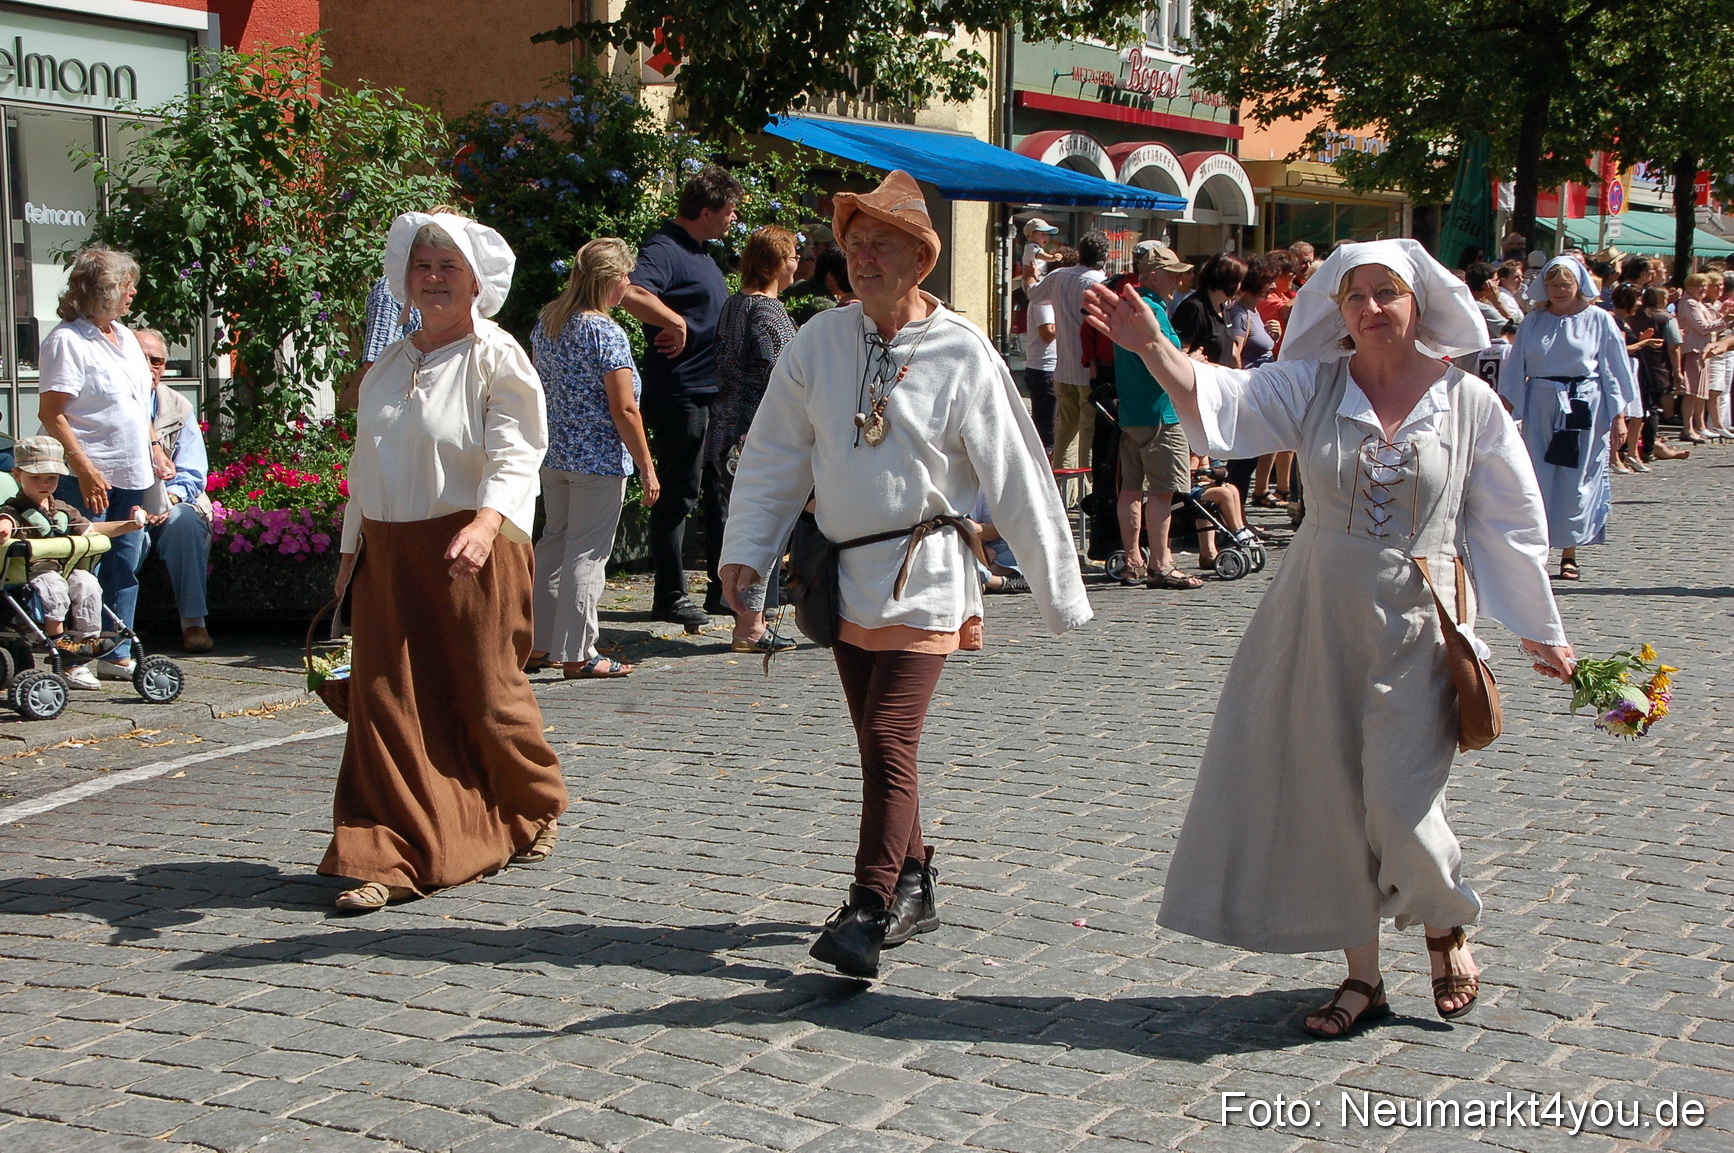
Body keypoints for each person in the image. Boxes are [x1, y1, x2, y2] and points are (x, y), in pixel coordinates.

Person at [1085, 238, 1576, 1039]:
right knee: (1331, 800)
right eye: (1356, 296)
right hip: (1315, 613)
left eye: (1388, 293)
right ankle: (1363, 975)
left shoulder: (1467, 402)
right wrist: (1153, 347)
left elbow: (1512, 521)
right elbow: (1228, 398)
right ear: (1337, 307)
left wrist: (1539, 629)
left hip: (1418, 620)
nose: (1371, 308)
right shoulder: (1316, 386)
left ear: (1419, 302)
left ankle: (1445, 921)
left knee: (1398, 797)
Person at [717, 170, 1091, 979]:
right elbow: (777, 452)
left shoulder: (960, 349)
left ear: (921, 258)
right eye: (853, 244)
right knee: (877, 742)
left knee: (889, 734)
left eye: (881, 243)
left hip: (926, 568)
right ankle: (916, 876)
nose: (863, 258)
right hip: (842, 573)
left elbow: (1018, 468)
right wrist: (745, 552)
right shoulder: (819, 340)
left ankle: (868, 904)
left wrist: (1060, 589)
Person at [324, 210, 566, 912]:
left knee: (487, 695)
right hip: (389, 554)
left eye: (447, 266)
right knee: (387, 705)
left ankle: (534, 801)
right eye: (423, 265)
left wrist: (488, 523)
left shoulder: (496, 356)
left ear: (475, 282)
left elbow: (520, 450)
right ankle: (388, 852)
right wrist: (349, 556)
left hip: (473, 550)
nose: (432, 277)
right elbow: (363, 468)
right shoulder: (387, 368)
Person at [525, 238, 661, 680]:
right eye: (624, 277)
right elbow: (624, 408)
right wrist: (646, 465)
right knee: (586, 555)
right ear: (609, 280)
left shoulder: (548, 321)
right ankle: (580, 653)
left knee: (552, 546)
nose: (628, 285)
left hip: (555, 453)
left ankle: (538, 644)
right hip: (598, 459)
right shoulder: (605, 332)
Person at [37, 245, 171, 682]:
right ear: (102, 290)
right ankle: (74, 656)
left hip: (132, 470)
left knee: (124, 564)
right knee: (82, 567)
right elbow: (52, 413)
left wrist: (154, 445)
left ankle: (115, 650)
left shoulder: (127, 337)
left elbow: (138, 401)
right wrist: (83, 466)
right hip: (89, 475)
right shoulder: (67, 341)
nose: (133, 292)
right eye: (125, 285)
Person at [619, 164, 744, 629]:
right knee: (678, 493)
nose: (734, 219)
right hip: (681, 392)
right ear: (707, 210)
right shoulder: (665, 247)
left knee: (716, 492)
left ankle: (719, 589)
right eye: (729, 211)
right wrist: (673, 322)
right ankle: (670, 594)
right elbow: (629, 291)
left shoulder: (702, 251)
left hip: (709, 392)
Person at [1498, 257, 1639, 582]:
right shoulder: (1534, 321)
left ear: (1578, 285)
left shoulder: (1599, 320)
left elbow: (1614, 371)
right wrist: (1505, 410)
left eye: (1566, 284)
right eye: (1554, 284)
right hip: (1541, 403)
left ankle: (1570, 551)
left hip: (1583, 405)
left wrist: (1619, 418)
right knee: (1538, 476)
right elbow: (1517, 365)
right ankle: (1539, 549)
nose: (1560, 290)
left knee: (1576, 479)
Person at [704, 226, 800, 653]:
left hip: (726, 430)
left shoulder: (733, 304)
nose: (799, 262)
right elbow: (784, 378)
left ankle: (750, 620)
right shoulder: (769, 312)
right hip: (759, 434)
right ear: (778, 262)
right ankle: (752, 625)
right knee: (764, 523)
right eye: (793, 254)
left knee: (744, 522)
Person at [0, 437, 155, 690]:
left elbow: (92, 528)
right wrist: (5, 530)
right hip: (32, 574)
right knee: (53, 585)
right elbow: (5, 520)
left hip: (66, 569)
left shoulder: (63, 510)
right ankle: (58, 640)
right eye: (36, 478)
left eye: (51, 478)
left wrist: (130, 525)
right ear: (18, 475)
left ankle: (85, 640)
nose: (44, 484)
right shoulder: (14, 509)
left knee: (87, 582)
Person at [1114, 247, 1200, 589]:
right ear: (1152, 275)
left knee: (1130, 489)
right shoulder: (1153, 310)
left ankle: (1132, 559)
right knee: (1163, 491)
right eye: (1172, 273)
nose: (1178, 280)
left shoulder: (1128, 306)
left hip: (1131, 413)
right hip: (1161, 413)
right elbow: (1169, 355)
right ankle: (1161, 562)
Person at [135, 328, 215, 653]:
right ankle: (111, 627)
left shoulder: (178, 406)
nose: (150, 367)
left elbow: (194, 472)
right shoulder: (104, 405)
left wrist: (168, 500)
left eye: (157, 361)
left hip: (170, 500)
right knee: (127, 533)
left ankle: (194, 623)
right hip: (123, 505)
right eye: (142, 359)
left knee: (185, 521)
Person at [1027, 230, 1109, 470]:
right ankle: (1088, 491)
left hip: (1062, 368)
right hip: (1090, 371)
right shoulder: (1101, 283)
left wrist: (1029, 276)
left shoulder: (1059, 276)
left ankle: (1062, 491)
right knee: (1089, 432)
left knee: (1065, 429)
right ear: (1103, 257)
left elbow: (1034, 296)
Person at [1171, 254, 1245, 367]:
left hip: (1224, 382)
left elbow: (1233, 352)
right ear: (1229, 281)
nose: (1240, 286)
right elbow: (1180, 354)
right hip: (1202, 382)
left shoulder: (1222, 308)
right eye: (1239, 281)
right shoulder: (1193, 308)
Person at [1020, 217, 1062, 288]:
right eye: (1043, 234)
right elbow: (1040, 255)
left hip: (1038, 278)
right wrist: (1052, 258)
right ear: (1031, 235)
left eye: (1047, 234)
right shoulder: (1031, 247)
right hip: (1031, 279)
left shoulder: (1038, 248)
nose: (1046, 237)